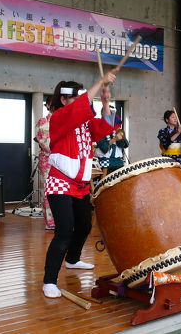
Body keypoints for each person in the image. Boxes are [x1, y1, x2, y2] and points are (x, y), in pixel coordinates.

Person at [42, 71, 119, 299]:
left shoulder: (84, 124)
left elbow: (104, 128)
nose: (80, 102)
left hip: (80, 184)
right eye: (76, 98)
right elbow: (79, 109)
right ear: (64, 100)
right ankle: (49, 280)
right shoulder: (58, 118)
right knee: (64, 231)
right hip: (60, 183)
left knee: (84, 225)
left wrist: (105, 103)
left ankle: (73, 259)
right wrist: (100, 81)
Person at [35, 96, 55, 230]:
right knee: (48, 190)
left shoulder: (66, 120)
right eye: (51, 104)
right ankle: (50, 221)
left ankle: (63, 219)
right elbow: (45, 143)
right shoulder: (43, 121)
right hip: (48, 159)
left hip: (63, 160)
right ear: (47, 105)